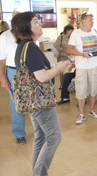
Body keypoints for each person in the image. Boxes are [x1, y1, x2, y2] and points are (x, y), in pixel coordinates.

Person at [12, 12, 70, 176]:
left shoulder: (24, 46)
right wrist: (58, 68)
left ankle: (37, 172)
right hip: (40, 102)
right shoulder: (30, 48)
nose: (40, 24)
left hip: (32, 101)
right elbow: (42, 76)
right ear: (26, 27)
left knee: (41, 137)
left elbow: (39, 68)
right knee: (53, 137)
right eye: (36, 22)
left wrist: (56, 65)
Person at [67, 12, 97, 125]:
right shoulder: (76, 33)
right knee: (81, 90)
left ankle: (92, 110)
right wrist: (82, 54)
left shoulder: (96, 31)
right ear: (83, 21)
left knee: (93, 89)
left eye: (92, 19)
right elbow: (69, 50)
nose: (92, 21)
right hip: (82, 66)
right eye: (90, 19)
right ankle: (81, 113)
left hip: (94, 65)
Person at [0, 10, 27, 144]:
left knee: (35, 100)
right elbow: (1, 60)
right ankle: (19, 133)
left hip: (30, 70)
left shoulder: (29, 34)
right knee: (16, 103)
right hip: (13, 71)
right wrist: (3, 78)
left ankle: (40, 129)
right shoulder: (5, 36)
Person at [54, 25, 74, 89]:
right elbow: (57, 46)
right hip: (63, 56)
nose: (72, 32)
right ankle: (62, 84)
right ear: (67, 31)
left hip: (71, 56)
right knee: (62, 70)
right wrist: (65, 51)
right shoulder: (61, 37)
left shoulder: (72, 37)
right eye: (71, 31)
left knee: (70, 70)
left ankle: (69, 85)